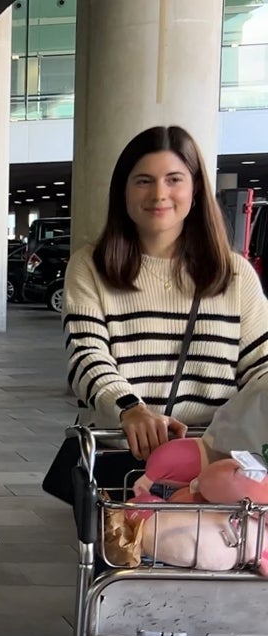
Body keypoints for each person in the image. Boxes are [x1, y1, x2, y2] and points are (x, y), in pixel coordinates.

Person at [64, 125, 268, 460]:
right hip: (121, 455)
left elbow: (261, 368)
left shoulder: (234, 274)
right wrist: (130, 409)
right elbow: (87, 357)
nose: (159, 194)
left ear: (196, 188)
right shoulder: (91, 267)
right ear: (123, 191)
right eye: (143, 180)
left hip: (214, 461)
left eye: (174, 179)